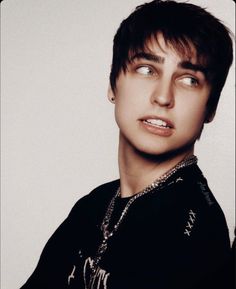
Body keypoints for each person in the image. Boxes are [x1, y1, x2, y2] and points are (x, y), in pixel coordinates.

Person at [20, 0, 234, 288]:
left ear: (210, 107)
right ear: (113, 84)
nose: (163, 97)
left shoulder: (195, 229)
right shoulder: (94, 205)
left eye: (189, 79)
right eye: (147, 70)